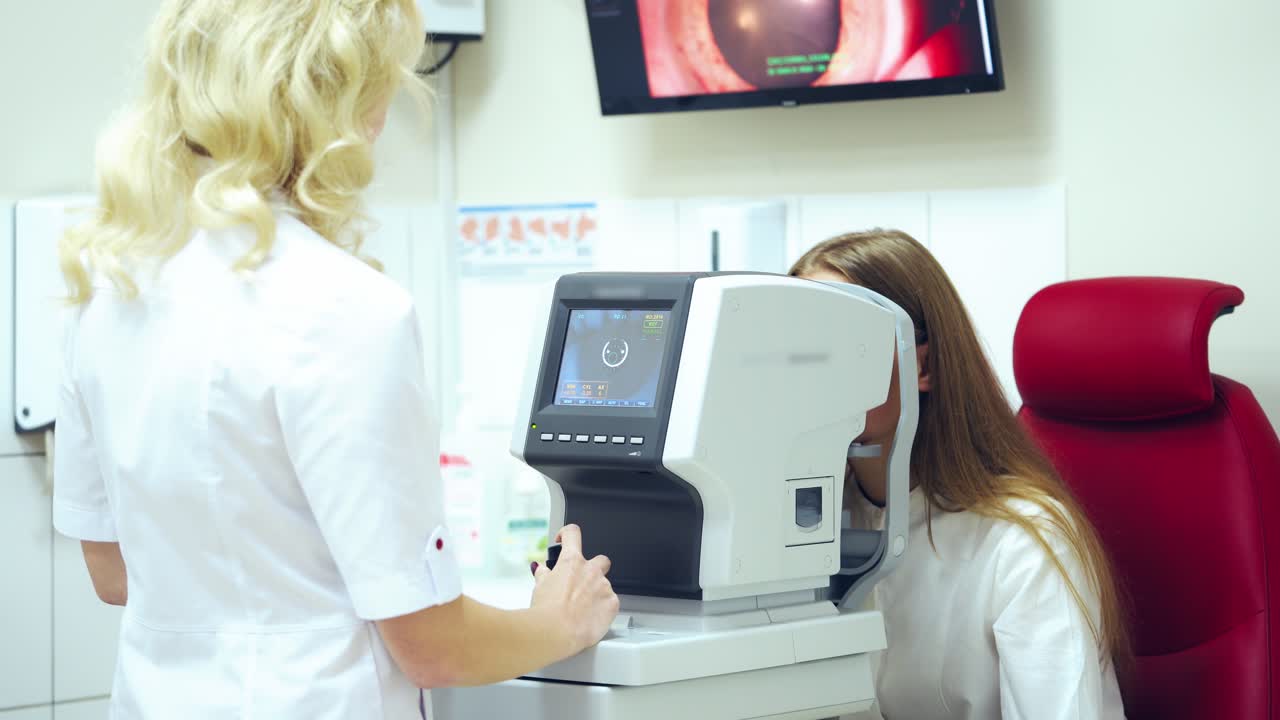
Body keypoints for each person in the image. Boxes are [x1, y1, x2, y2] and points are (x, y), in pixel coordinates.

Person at [51, 2, 618, 718]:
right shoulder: (346, 309)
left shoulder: (108, 292)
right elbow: (434, 647)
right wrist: (558, 621)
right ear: (348, 99)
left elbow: (113, 571)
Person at [790, 230, 1128, 720]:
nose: (808, 375)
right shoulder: (802, 527)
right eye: (795, 347)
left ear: (922, 365)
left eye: (842, 343)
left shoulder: (1024, 543)